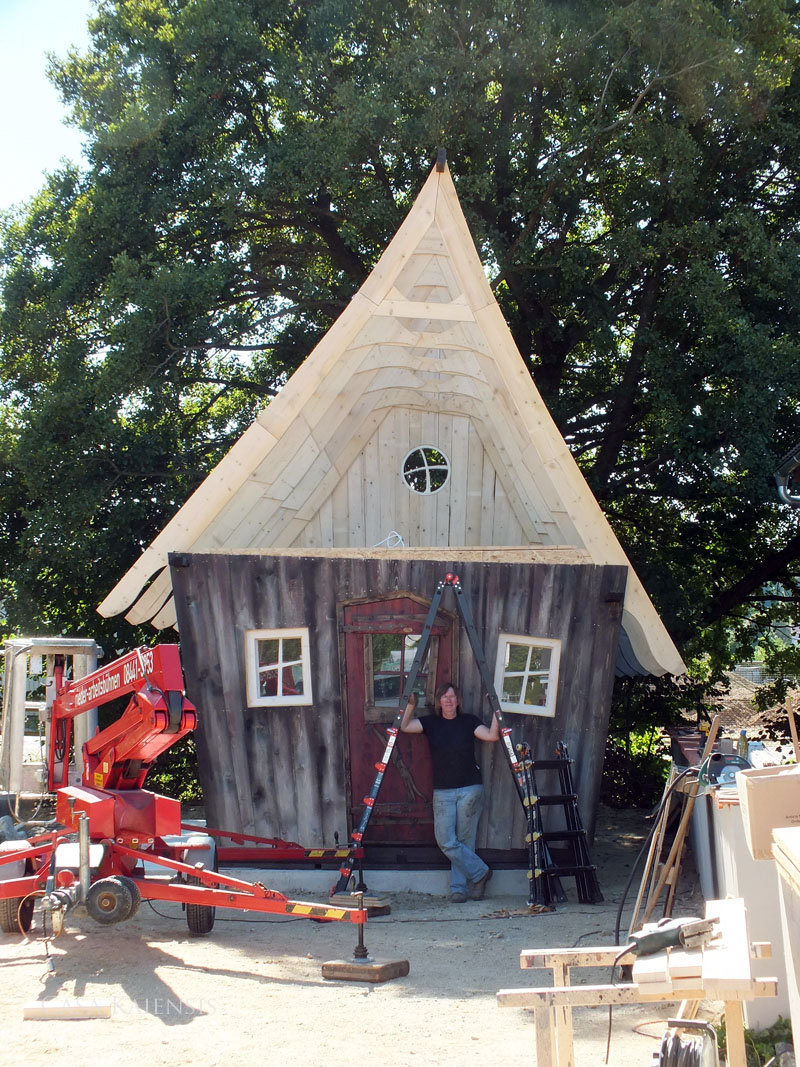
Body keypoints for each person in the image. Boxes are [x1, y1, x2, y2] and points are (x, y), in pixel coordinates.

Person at [400, 681, 499, 903]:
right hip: (443, 791)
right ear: (438, 701)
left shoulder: (468, 721)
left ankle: (459, 889)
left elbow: (492, 735)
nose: (448, 700)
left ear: (458, 701)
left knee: (464, 841)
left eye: (452, 697)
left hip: (469, 789)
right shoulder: (431, 723)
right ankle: (481, 873)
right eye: (444, 697)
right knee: (446, 840)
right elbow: (405, 727)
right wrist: (410, 706)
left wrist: (496, 708)